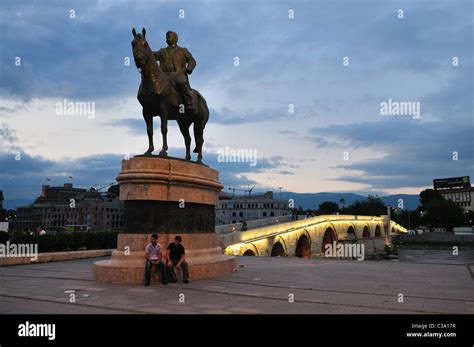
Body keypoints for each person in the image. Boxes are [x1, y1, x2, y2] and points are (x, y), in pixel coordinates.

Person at [153, 31, 197, 113]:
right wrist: (144, 48)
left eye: (169, 37)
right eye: (166, 38)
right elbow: (151, 55)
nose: (166, 39)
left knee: (181, 82)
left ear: (175, 38)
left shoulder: (182, 51)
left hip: (178, 74)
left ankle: (189, 103)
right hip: (164, 75)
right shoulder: (162, 51)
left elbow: (192, 61)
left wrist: (189, 68)